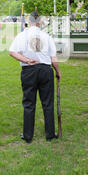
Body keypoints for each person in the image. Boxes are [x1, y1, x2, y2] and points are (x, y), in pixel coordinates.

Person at [9, 11, 61, 144]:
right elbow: (53, 58)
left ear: (29, 21)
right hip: (45, 70)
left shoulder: (22, 35)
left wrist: (26, 60)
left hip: (29, 71)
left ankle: (28, 136)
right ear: (40, 22)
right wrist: (58, 71)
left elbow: (12, 52)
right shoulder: (47, 36)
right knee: (47, 103)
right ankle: (49, 134)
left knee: (29, 103)